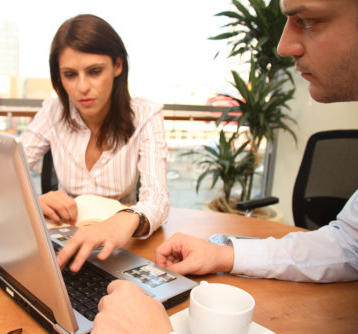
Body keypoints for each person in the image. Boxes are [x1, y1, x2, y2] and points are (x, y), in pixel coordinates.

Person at [93, 0, 358, 331]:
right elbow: (348, 246)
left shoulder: (144, 113)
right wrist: (224, 255)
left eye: (310, 20)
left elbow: (156, 197)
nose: (284, 45)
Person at [19, 14, 169, 272]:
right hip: (62, 245)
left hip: (123, 247)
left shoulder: (146, 115)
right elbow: (7, 177)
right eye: (70, 75)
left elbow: (158, 198)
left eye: (95, 71)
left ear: (118, 66)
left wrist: (128, 217)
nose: (82, 87)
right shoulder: (53, 112)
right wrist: (32, 200)